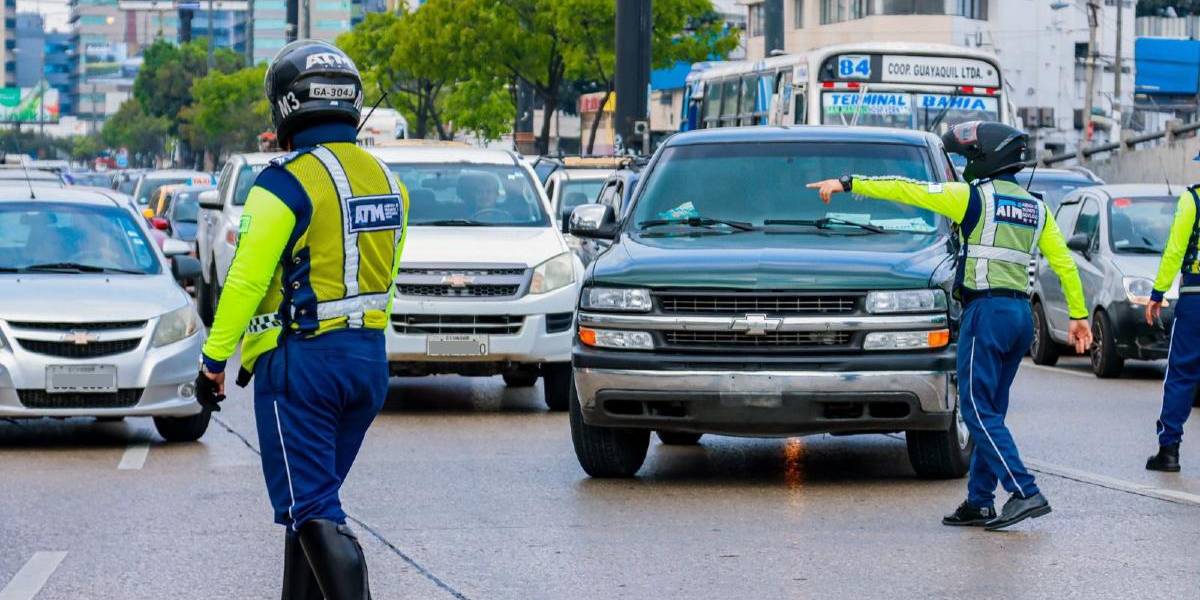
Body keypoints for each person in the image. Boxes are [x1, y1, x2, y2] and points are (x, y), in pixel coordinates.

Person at [199, 40, 408, 599]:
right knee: (308, 504)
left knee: (311, 506)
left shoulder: (282, 183)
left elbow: (242, 281)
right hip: (367, 366)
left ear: (286, 109)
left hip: (302, 371)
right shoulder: (389, 182)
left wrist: (213, 361)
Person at [807, 121, 1092, 531]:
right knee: (991, 409)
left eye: (968, 158)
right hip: (1018, 320)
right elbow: (1063, 262)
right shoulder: (1036, 208)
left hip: (986, 313)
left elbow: (908, 189)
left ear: (985, 160)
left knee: (974, 409)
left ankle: (1024, 490)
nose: (963, 166)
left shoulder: (971, 197)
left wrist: (848, 183)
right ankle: (979, 501)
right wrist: (1079, 316)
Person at [1143, 157, 1200, 473]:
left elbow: (1175, 250)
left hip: (1195, 299)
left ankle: (1169, 451)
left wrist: (1157, 293)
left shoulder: (1193, 199)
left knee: (1181, 375)